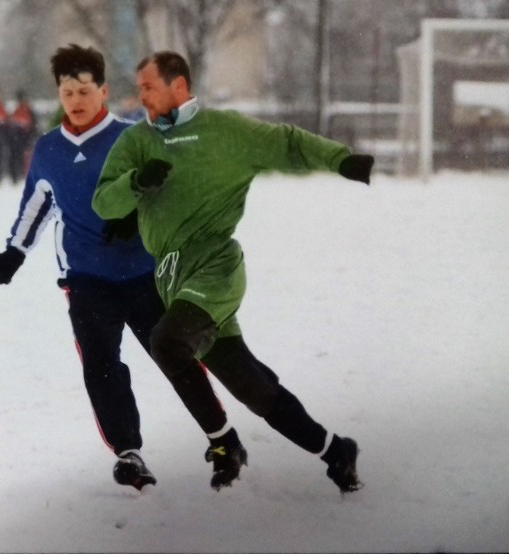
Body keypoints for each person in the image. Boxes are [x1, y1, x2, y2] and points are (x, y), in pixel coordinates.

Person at [93, 51, 375, 493]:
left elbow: (287, 143)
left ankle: (224, 444)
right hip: (172, 278)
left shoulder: (226, 131)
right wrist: (134, 184)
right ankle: (335, 451)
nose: (140, 96)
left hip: (216, 266)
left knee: (166, 342)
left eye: (148, 86)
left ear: (179, 86)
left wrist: (341, 160)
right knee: (252, 388)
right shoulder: (136, 142)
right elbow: (103, 202)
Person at [0, 44, 231, 492]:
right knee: (100, 366)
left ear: (102, 90)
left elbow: (171, 189)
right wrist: (13, 253)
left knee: (175, 357)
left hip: (143, 274)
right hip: (86, 279)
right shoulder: (48, 149)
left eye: (83, 90)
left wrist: (136, 215)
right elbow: (35, 207)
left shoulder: (133, 137)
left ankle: (220, 439)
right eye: (66, 92)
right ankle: (128, 453)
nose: (75, 100)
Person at [7, 89, 37, 184]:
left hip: (27, 139)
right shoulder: (16, 111)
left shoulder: (30, 112)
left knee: (27, 158)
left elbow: (34, 127)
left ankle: (26, 176)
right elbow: (10, 126)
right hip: (16, 140)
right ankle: (15, 177)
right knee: (14, 157)